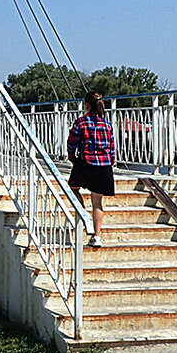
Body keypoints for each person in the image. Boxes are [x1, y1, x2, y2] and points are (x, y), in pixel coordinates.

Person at [67, 90, 116, 246]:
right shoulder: (107, 124)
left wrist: (71, 155)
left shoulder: (81, 122)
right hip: (104, 166)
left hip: (86, 163)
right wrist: (111, 161)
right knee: (97, 202)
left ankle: (83, 214)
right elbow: (112, 146)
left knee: (73, 188)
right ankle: (97, 237)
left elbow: (72, 141)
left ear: (87, 105)